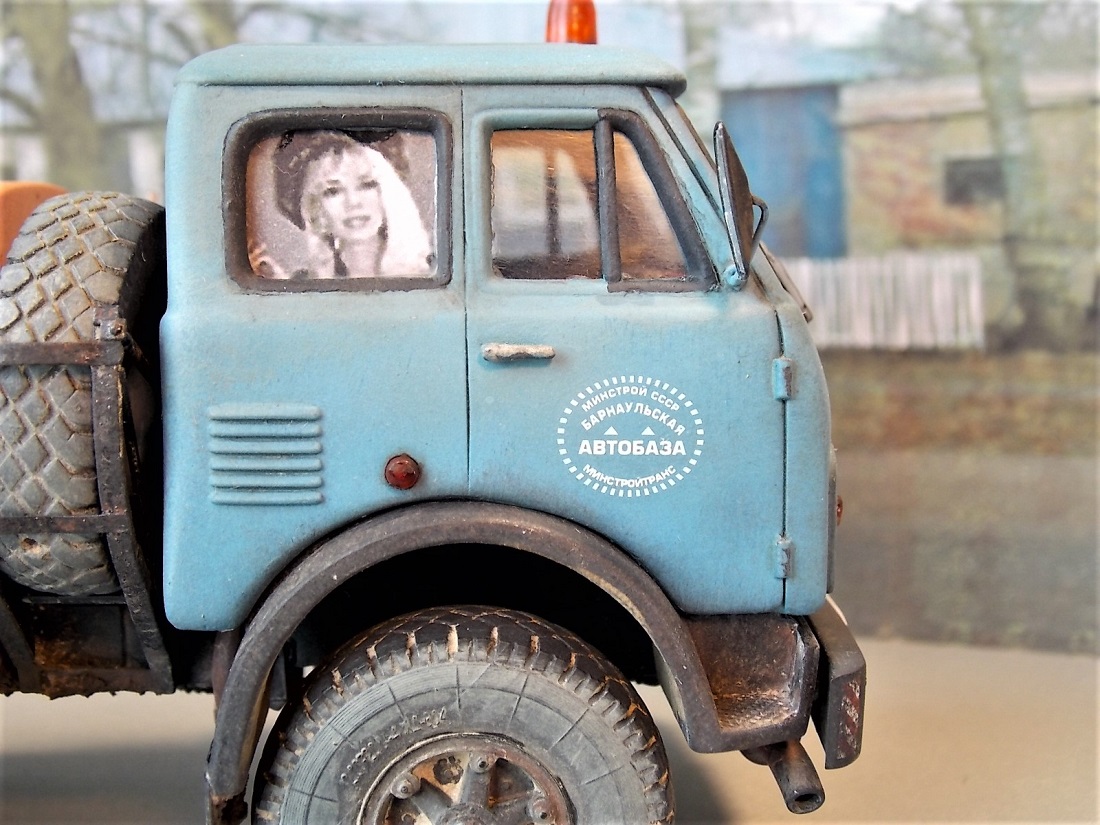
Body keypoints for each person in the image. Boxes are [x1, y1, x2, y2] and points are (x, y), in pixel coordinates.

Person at [266, 130, 433, 279]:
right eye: (332, 191)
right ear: (313, 208)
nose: (353, 202)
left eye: (367, 184)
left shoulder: (433, 274)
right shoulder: (299, 285)